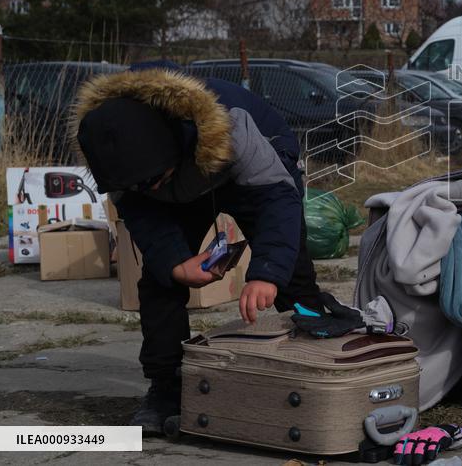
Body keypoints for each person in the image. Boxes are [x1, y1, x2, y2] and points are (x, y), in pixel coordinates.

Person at [72, 64, 325, 435]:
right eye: (142, 186)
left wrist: (267, 273)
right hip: (179, 176)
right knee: (160, 282)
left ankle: (322, 367)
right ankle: (167, 389)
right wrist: (176, 263)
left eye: (155, 181)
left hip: (251, 165)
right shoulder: (114, 156)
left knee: (293, 277)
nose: (150, 190)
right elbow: (142, 215)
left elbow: (276, 199)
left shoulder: (234, 126)